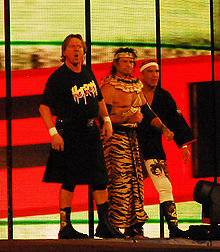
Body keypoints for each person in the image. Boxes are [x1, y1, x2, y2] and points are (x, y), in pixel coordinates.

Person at [39, 34, 126, 239]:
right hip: (69, 133)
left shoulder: (88, 73)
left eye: (80, 46)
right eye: (72, 47)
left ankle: (104, 224)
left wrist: (106, 120)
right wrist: (54, 133)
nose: (77, 50)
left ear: (84, 51)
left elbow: (99, 99)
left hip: (90, 132)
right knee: (70, 179)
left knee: (99, 178)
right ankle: (65, 227)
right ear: (64, 52)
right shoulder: (58, 77)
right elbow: (43, 107)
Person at [100, 48, 174, 238]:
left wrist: (164, 128)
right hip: (114, 140)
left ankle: (134, 227)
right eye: (125, 61)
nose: (129, 65)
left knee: (135, 183)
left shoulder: (135, 85)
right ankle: (112, 228)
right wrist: (127, 117)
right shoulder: (109, 86)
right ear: (115, 63)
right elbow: (102, 117)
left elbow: (147, 113)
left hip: (133, 139)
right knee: (119, 183)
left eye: (131, 62)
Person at [137, 60, 196, 238]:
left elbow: (175, 121)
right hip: (131, 147)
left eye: (157, 71)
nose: (155, 75)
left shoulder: (164, 96)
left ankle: (173, 227)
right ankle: (135, 227)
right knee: (133, 189)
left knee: (165, 186)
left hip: (153, 147)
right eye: (151, 71)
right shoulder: (132, 93)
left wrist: (183, 145)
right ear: (141, 75)